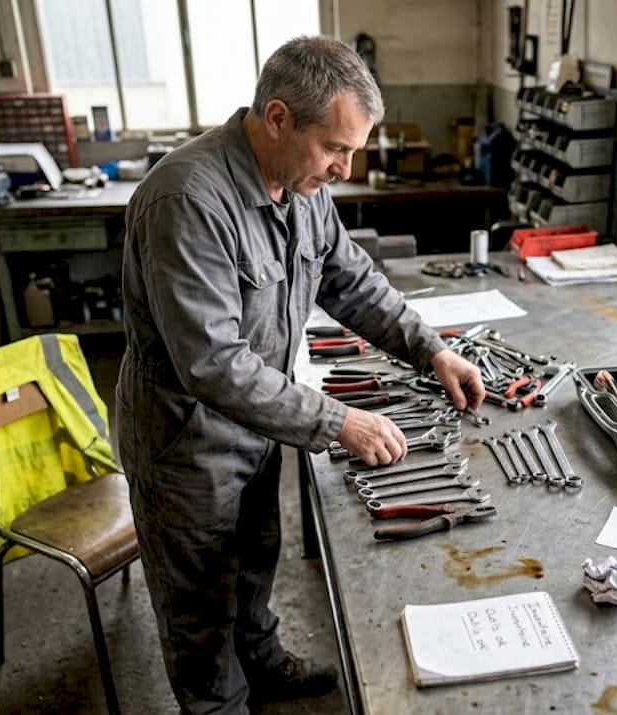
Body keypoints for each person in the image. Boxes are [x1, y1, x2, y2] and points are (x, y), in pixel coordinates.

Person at [115, 35, 484, 713]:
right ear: (278, 117)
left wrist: (431, 349)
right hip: (187, 445)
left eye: (352, 151)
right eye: (335, 148)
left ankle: (264, 664)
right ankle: (219, 703)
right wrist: (335, 419)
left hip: (259, 426)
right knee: (200, 607)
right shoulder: (187, 200)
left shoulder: (302, 184)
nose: (344, 167)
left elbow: (351, 281)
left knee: (254, 561)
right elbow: (213, 363)